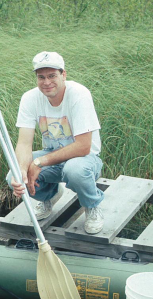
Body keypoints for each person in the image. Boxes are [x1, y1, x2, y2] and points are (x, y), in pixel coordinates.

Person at [8, 51, 105, 234]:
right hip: (52, 155)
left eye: (52, 75)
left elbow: (83, 146)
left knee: (74, 170)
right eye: (41, 77)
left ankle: (92, 205)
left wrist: (39, 162)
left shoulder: (79, 94)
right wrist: (21, 170)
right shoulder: (29, 98)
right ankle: (49, 196)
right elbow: (24, 144)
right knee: (12, 176)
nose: (46, 82)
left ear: (63, 74)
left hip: (85, 159)